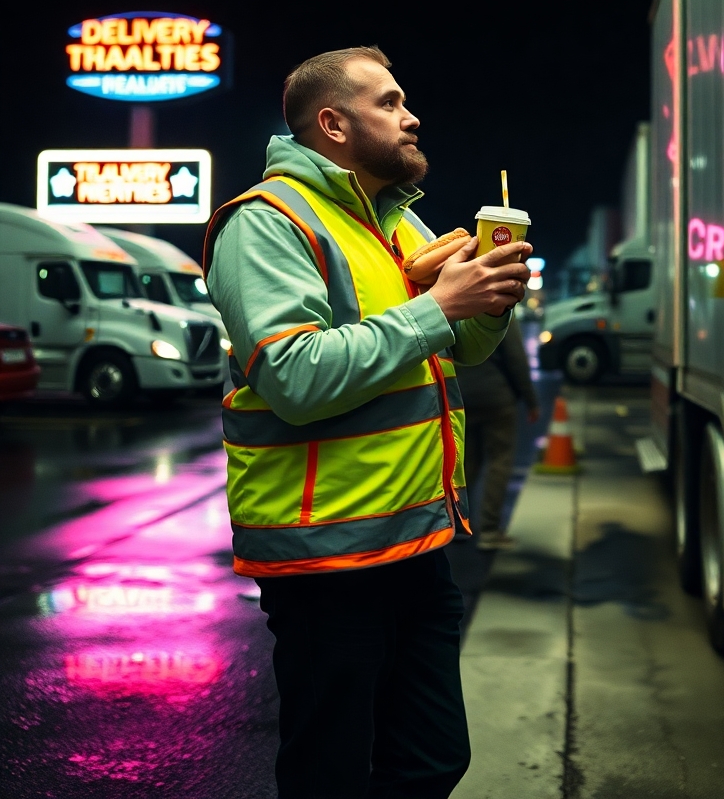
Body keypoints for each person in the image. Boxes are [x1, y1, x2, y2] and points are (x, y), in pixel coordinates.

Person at [204, 46, 532, 799]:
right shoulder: (267, 222)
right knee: (332, 775)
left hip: (415, 547)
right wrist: (438, 306)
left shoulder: (403, 226)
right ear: (333, 123)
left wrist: (490, 297)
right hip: (329, 560)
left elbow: (462, 352)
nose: (410, 115)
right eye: (387, 102)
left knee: (433, 757)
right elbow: (292, 377)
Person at [459, 314, 539, 550]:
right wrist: (531, 400)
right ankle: (490, 530)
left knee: (467, 463)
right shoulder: (497, 306)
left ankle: (459, 526)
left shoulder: (454, 300)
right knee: (499, 461)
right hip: (496, 396)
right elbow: (515, 358)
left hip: (462, 396)